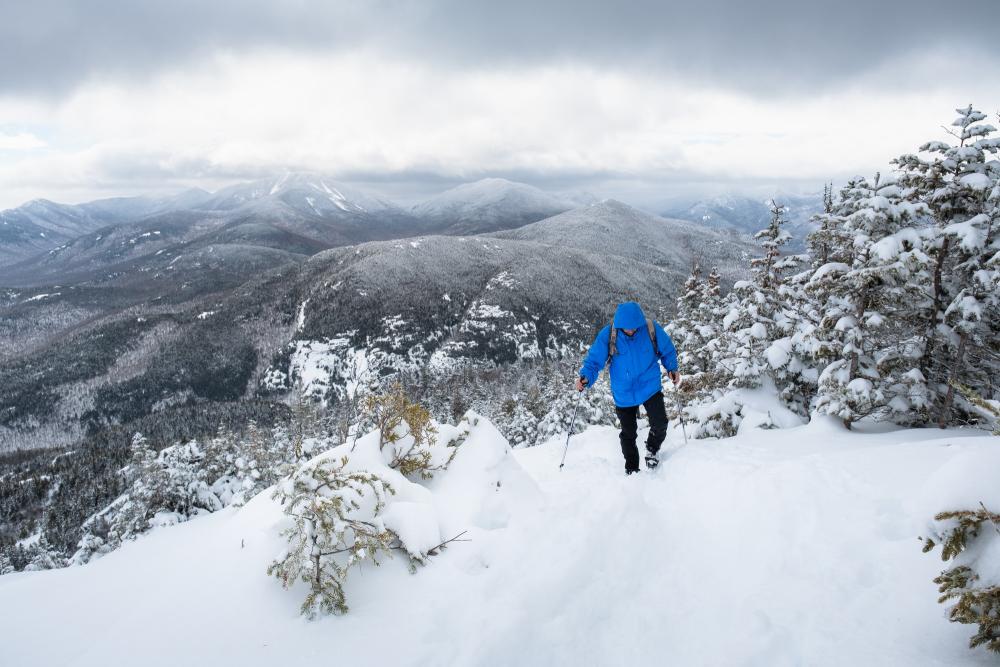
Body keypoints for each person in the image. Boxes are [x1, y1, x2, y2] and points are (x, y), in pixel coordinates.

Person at [576, 301, 680, 475]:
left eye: (634, 327)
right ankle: (632, 468)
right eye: (627, 328)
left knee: (660, 422)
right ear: (620, 325)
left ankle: (652, 449)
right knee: (628, 434)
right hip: (624, 392)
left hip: (649, 385)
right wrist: (585, 377)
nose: (631, 330)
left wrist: (672, 368)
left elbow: (667, 350)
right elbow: (595, 360)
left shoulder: (649, 329)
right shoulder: (609, 335)